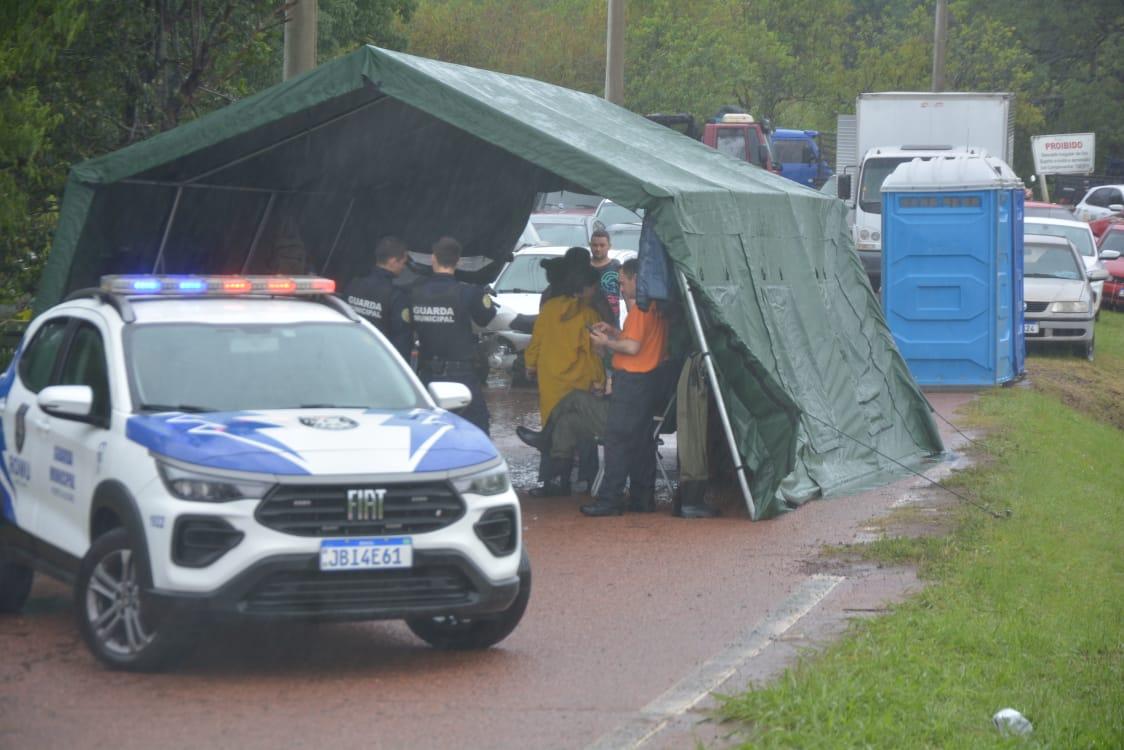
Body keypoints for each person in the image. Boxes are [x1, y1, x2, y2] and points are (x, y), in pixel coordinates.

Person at [580, 259, 669, 516]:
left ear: (635, 279)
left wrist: (606, 341)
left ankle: (610, 498)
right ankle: (642, 498)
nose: (620, 286)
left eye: (622, 281)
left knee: (617, 440)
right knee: (642, 442)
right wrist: (614, 332)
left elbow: (632, 347)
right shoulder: (655, 306)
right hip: (648, 380)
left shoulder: (640, 309)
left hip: (632, 381)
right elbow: (634, 340)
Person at [523, 262, 606, 495]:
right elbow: (592, 354)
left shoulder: (549, 309)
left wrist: (530, 365)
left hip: (551, 379)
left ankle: (553, 483)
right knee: (584, 433)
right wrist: (599, 379)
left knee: (550, 432)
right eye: (593, 288)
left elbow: (536, 341)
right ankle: (590, 480)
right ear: (584, 289)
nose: (595, 293)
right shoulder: (589, 314)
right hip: (579, 381)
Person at [410, 236, 497, 434]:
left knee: (427, 429)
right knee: (476, 430)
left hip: (428, 374)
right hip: (461, 375)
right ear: (458, 261)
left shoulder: (415, 292)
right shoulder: (467, 293)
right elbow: (487, 317)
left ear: (433, 258)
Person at [343, 236, 413, 361]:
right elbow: (401, 342)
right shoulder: (396, 296)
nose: (404, 267)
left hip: (348, 354)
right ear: (392, 261)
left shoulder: (353, 285)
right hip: (377, 361)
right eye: (403, 262)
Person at [588, 228, 622, 321]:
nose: (598, 249)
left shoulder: (617, 267)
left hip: (611, 324)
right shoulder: (583, 268)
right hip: (586, 323)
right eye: (595, 245)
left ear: (609, 246)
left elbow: (627, 294)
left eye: (602, 245)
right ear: (590, 245)